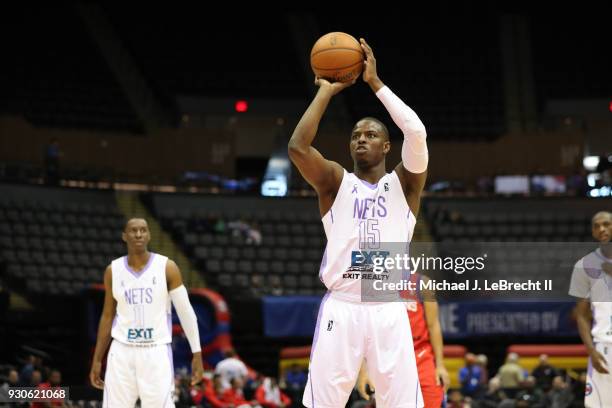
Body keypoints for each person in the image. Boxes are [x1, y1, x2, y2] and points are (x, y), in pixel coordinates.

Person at [288, 37, 428, 407]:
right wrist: (327, 91)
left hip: (388, 308)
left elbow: (415, 132)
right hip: (343, 305)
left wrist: (375, 83)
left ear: (387, 147)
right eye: (355, 136)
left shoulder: (405, 184)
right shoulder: (335, 182)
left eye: (371, 135)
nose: (361, 139)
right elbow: (298, 148)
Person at [89, 218, 203, 407]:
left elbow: (186, 313)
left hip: (156, 349)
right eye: (133, 230)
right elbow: (107, 316)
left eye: (143, 230)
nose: (139, 234)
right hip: (121, 350)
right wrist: (97, 359)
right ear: (124, 236)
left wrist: (197, 353)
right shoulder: (113, 270)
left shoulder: (167, 267)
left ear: (149, 235)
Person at [357, 273, 450, 407]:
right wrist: (363, 370)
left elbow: (433, 325)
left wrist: (440, 365)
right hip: (387, 359)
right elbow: (361, 331)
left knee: (432, 400)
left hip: (420, 356)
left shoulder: (422, 283)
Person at [569, 211, 612, 408]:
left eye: (607, 224)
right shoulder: (584, 266)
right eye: (597, 226)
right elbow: (582, 315)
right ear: (593, 232)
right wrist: (591, 350)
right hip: (604, 347)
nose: (602, 229)